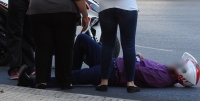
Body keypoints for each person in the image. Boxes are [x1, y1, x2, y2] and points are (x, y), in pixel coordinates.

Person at [17, 34, 200, 88]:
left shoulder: (162, 77)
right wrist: (138, 58)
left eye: (180, 65)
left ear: (181, 75)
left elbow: (136, 70)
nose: (176, 62)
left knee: (70, 77)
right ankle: (70, 73)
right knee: (83, 40)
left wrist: (136, 57)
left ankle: (31, 82)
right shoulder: (166, 71)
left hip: (113, 72)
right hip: (112, 63)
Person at [97, 0, 158, 93]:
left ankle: (103, 82)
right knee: (128, 45)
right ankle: (130, 83)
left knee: (107, 44)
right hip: (127, 7)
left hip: (105, 6)